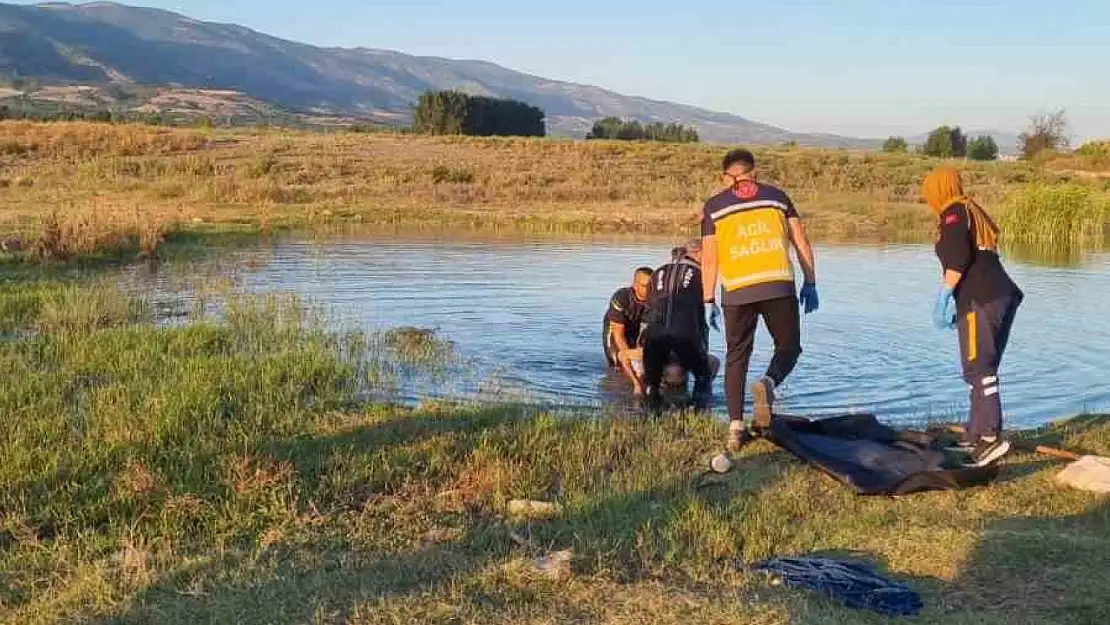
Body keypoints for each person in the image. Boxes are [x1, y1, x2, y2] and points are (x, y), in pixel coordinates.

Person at [700, 149, 819, 451]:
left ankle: (736, 428)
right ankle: (768, 383)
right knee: (789, 347)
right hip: (778, 284)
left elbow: (710, 257)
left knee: (736, 356)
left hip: (737, 290)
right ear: (754, 172)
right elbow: (801, 240)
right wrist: (811, 281)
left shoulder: (714, 207)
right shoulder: (777, 197)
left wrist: (707, 299)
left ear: (726, 176)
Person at [923, 165, 1023, 467]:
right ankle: (974, 433)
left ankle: (990, 440)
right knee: (977, 368)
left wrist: (942, 297)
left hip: (982, 299)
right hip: (995, 295)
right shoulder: (970, 209)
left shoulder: (953, 211)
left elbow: (957, 258)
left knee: (980, 368)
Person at [641, 239, 714, 415]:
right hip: (685, 334)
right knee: (702, 375)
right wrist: (702, 350)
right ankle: (699, 413)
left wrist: (643, 343)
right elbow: (702, 318)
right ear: (699, 254)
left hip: (655, 336)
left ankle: (649, 416)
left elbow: (648, 311)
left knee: (652, 384)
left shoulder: (657, 272)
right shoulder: (702, 274)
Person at [603, 267, 653, 368]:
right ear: (635, 285)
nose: (648, 290)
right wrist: (626, 358)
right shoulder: (621, 298)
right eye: (644, 286)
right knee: (618, 364)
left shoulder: (657, 300)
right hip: (616, 329)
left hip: (639, 327)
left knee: (643, 363)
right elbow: (618, 335)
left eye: (651, 286)